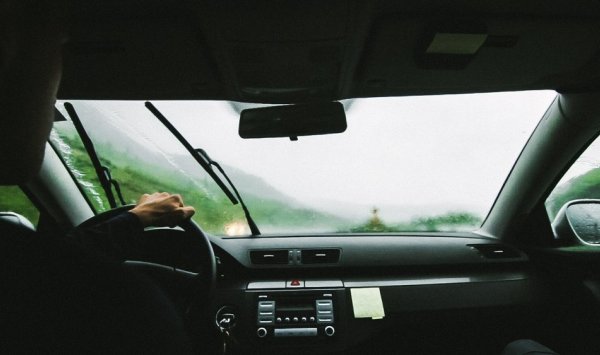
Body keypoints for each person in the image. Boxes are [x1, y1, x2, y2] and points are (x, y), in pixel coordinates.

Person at [0, 1, 197, 353]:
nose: (52, 106)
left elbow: (49, 270)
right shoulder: (119, 306)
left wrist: (135, 220)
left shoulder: (25, 274)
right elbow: (52, 272)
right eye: (58, 43)